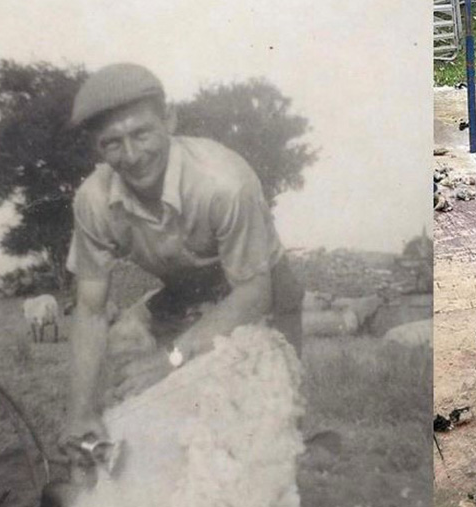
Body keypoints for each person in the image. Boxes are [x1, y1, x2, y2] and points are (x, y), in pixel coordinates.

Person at [59, 63, 305, 449]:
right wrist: (80, 411)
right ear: (97, 147)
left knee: (268, 430)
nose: (132, 155)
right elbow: (90, 309)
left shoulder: (224, 182)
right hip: (185, 289)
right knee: (143, 379)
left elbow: (253, 295)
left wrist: (170, 360)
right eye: (112, 143)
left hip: (261, 287)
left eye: (142, 133)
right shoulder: (93, 200)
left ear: (169, 119)